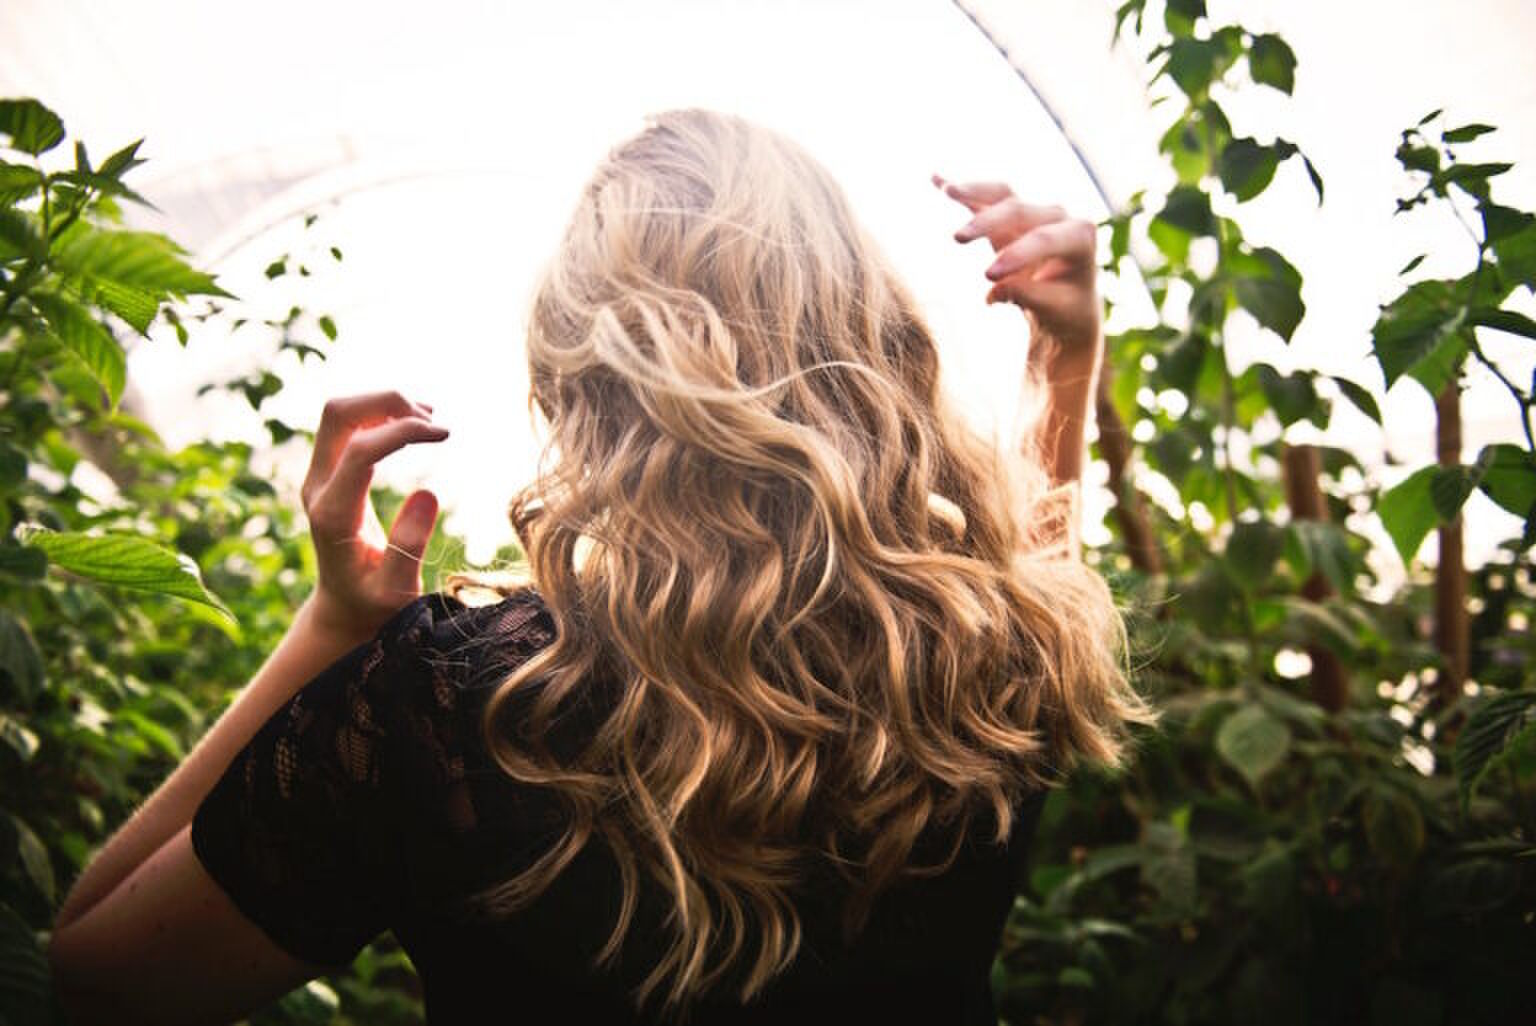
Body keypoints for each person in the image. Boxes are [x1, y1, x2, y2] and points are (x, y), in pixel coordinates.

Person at [47, 109, 1152, 1025]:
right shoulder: (997, 658)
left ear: (581, 375)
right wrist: (1064, 357)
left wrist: (333, 628)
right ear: (867, 332)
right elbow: (1032, 570)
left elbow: (91, 978)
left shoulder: (452, 712)